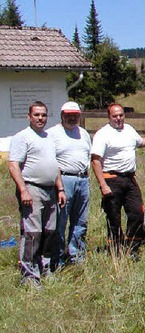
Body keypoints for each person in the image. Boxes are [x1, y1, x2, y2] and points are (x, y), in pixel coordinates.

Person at [91, 103, 145, 258]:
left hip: (130, 179)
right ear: (109, 117)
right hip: (111, 179)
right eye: (115, 116)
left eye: (121, 115)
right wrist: (103, 185)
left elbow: (141, 142)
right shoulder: (102, 134)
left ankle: (132, 247)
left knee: (137, 213)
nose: (118, 118)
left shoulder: (129, 130)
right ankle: (115, 250)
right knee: (114, 216)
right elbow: (95, 160)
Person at [8, 101, 66, 287]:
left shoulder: (48, 137)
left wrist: (60, 188)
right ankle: (29, 275)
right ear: (29, 116)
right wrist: (24, 190)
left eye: (43, 115)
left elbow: (53, 164)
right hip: (32, 188)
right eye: (37, 115)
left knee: (50, 232)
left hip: (50, 190)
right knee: (32, 233)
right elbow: (13, 165)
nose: (40, 118)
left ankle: (45, 268)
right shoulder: (22, 137)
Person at [48, 101, 92, 265]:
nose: (72, 118)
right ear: (62, 115)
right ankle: (57, 259)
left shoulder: (83, 133)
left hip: (83, 180)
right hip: (64, 180)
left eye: (75, 115)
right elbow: (51, 161)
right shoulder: (52, 134)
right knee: (60, 220)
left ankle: (77, 256)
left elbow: (88, 156)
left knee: (81, 221)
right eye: (68, 115)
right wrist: (59, 186)